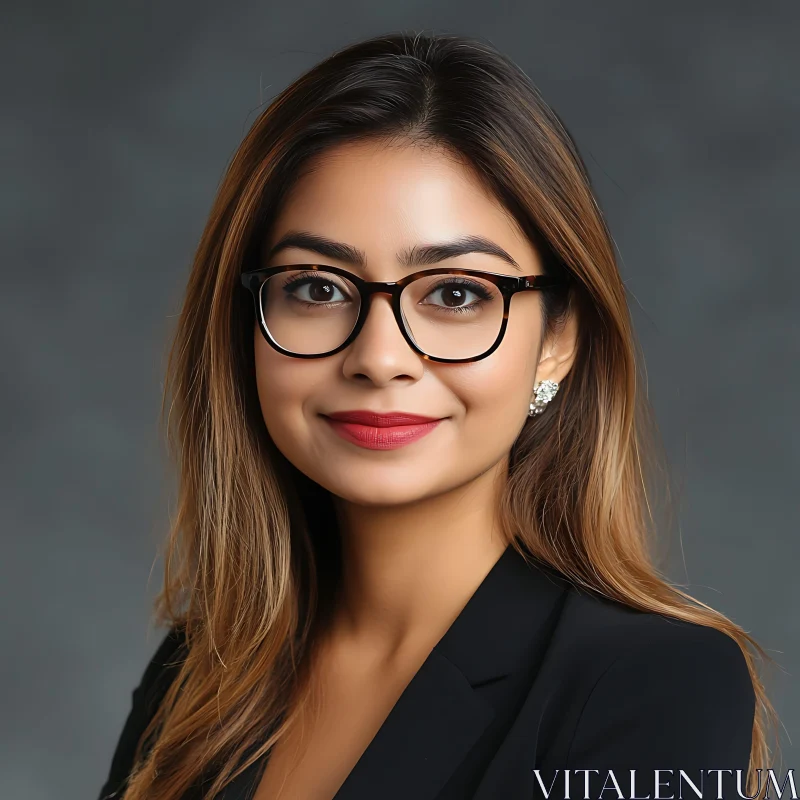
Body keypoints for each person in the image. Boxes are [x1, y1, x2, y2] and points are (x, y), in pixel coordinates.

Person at [97, 31, 778, 800]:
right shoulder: (196, 675)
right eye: (317, 288)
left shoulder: (659, 684)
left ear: (556, 341)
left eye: (455, 293)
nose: (380, 357)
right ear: (248, 321)